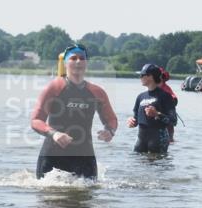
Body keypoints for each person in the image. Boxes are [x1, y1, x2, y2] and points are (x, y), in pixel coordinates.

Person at [30, 43, 117, 179]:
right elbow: (36, 121)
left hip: (85, 157)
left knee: (88, 196)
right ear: (65, 63)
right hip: (53, 156)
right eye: (73, 58)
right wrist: (54, 134)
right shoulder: (54, 88)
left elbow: (111, 119)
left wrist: (110, 131)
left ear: (86, 63)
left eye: (82, 58)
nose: (78, 61)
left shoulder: (97, 92)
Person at [127, 63, 177, 154]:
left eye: (142, 75)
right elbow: (136, 119)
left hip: (158, 140)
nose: (140, 78)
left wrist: (157, 114)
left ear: (150, 76)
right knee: (136, 166)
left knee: (157, 167)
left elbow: (173, 121)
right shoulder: (140, 97)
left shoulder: (165, 96)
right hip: (141, 140)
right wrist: (132, 121)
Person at [158, 67, 179, 143]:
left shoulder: (166, 88)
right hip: (157, 117)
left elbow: (174, 99)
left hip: (167, 115)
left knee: (169, 138)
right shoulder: (152, 89)